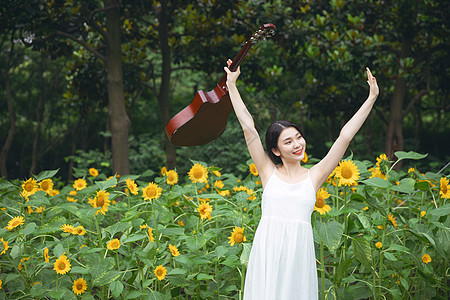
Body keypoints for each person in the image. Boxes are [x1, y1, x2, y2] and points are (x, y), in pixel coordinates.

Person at [224, 59, 379, 299]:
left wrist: (371, 99)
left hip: (298, 256)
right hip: (268, 250)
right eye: (288, 141)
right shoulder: (268, 172)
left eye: (298, 137)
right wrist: (231, 85)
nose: (297, 144)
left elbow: (345, 136)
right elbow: (248, 128)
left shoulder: (314, 175)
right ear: (275, 151)